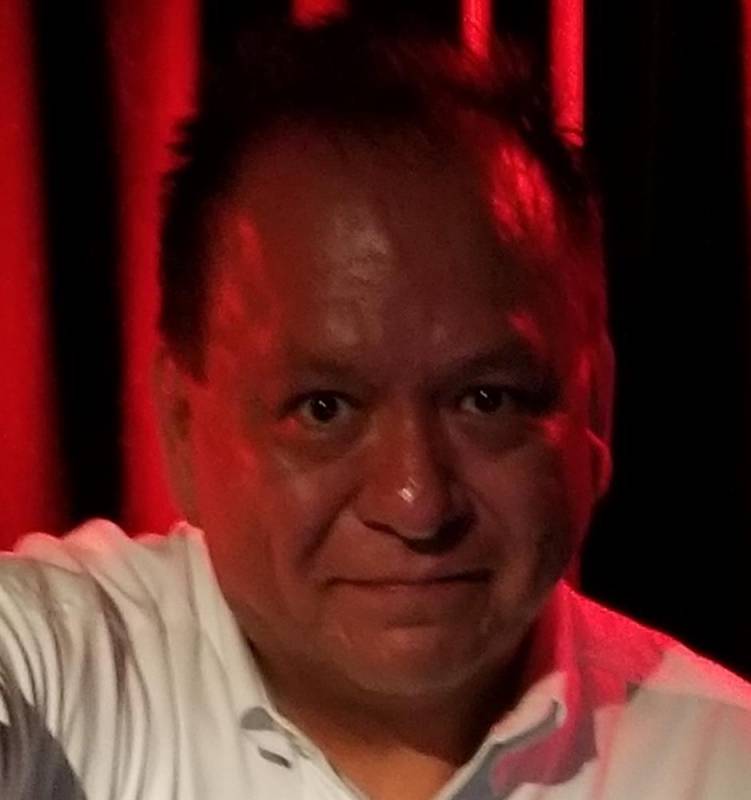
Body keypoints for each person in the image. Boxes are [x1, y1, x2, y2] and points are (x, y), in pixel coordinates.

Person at [1, 18, 749, 800]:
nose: (415, 504)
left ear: (594, 409)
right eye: (324, 410)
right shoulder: (62, 671)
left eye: (485, 400)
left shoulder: (727, 764)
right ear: (182, 426)